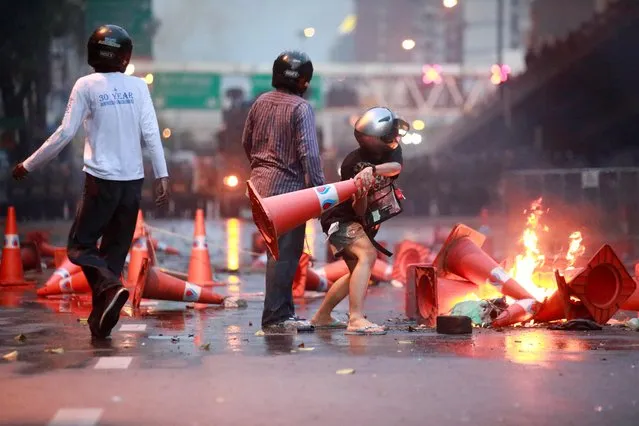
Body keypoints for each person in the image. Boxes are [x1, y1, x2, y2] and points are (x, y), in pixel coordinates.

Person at [12, 24, 170, 339]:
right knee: (111, 257)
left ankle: (111, 289)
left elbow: (65, 132)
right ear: (125, 58)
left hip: (101, 181)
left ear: (92, 54)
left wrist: (30, 164)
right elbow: (151, 132)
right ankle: (100, 323)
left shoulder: (86, 85)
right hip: (132, 183)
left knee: (80, 245)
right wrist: (162, 174)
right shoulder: (138, 88)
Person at [242, 50, 326, 333]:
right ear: (304, 81)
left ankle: (283, 313)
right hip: (288, 194)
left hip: (259, 189)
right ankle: (276, 317)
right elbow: (310, 155)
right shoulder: (301, 108)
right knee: (284, 256)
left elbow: (247, 141)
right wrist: (320, 194)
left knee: (276, 254)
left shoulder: (260, 102)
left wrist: (261, 167)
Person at [310, 107, 408, 335]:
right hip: (341, 219)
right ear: (374, 140)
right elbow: (358, 209)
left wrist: (372, 171)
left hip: (360, 222)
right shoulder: (351, 164)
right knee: (368, 255)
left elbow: (396, 168)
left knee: (356, 273)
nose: (395, 139)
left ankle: (322, 316)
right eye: (388, 135)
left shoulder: (391, 151)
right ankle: (355, 319)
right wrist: (361, 191)